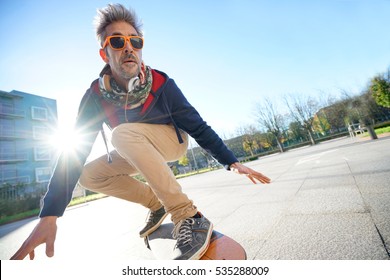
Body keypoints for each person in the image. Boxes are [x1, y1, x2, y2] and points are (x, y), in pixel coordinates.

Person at [11, 3, 271, 260]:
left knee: (121, 134)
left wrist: (230, 161)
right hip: (133, 146)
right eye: (117, 42)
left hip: (170, 141)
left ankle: (189, 217)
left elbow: (197, 126)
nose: (128, 48)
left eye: (135, 42)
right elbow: (73, 154)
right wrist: (50, 214)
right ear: (104, 54)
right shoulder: (95, 96)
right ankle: (155, 203)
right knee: (89, 175)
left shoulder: (161, 83)